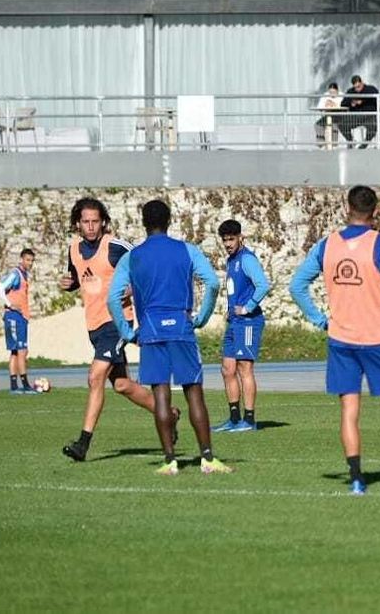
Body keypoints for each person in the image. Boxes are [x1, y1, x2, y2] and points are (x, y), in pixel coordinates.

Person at [290, 185, 380, 496]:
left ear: (347, 208)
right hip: (377, 339)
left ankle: (356, 479)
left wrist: (322, 320)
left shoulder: (327, 245)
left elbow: (297, 286)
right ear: (376, 211)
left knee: (349, 409)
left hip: (340, 339)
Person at [107, 200, 229, 476]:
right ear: (169, 220)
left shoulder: (132, 257)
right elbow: (212, 282)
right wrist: (202, 316)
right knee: (194, 393)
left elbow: (113, 298)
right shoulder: (187, 250)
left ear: (143, 223)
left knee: (160, 395)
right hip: (181, 327)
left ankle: (170, 460)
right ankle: (207, 458)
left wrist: (127, 333)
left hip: (150, 329)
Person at [59, 198, 160, 463]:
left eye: (95, 221)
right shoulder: (73, 249)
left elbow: (147, 267)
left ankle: (83, 443)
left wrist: (132, 289)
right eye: (86, 222)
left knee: (95, 377)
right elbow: (81, 277)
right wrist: (69, 284)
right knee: (123, 385)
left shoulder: (115, 246)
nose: (91, 226)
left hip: (117, 323)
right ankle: (167, 414)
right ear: (78, 224)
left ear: (103, 222)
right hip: (94, 325)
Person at [215, 219, 270, 434]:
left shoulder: (247, 259)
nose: (228, 244)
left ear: (241, 238)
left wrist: (247, 308)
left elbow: (263, 285)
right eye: (225, 240)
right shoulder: (231, 260)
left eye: (231, 239)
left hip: (248, 322)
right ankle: (234, 418)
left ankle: (249, 419)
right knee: (227, 369)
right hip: (234, 322)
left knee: (244, 368)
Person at [0, 248, 36, 394]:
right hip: (14, 317)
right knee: (22, 351)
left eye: (32, 261)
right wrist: (9, 304)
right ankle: (25, 385)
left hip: (21, 317)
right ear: (21, 259)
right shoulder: (15, 274)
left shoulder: (23, 275)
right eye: (27, 260)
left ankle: (14, 386)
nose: (30, 263)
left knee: (15, 352)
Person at [340, 75, 379, 149]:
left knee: (373, 126)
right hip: (356, 117)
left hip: (369, 116)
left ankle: (365, 144)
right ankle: (351, 141)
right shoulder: (350, 92)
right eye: (355, 87)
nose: (357, 89)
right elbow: (343, 103)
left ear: (362, 83)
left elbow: (376, 97)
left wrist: (362, 101)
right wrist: (351, 104)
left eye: (359, 86)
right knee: (342, 124)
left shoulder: (370, 89)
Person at [316, 83, 343, 149]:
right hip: (328, 115)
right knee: (317, 125)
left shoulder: (342, 95)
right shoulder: (325, 95)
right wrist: (325, 104)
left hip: (339, 116)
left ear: (337, 91)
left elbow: (343, 106)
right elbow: (319, 107)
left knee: (334, 125)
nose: (332, 94)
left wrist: (334, 104)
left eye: (334, 92)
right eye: (330, 92)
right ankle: (321, 144)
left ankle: (334, 145)